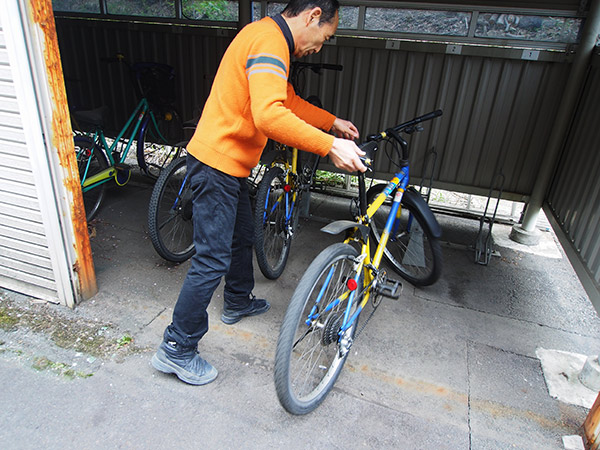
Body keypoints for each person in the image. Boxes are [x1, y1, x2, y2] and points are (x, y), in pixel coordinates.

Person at [151, 0, 367, 385]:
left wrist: (332, 123)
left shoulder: (268, 38)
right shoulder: (269, 43)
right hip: (217, 163)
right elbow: (271, 115)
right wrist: (329, 146)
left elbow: (289, 102)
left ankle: (236, 300)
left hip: (228, 165)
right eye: (325, 37)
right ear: (313, 15)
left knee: (242, 236)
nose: (320, 47)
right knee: (210, 260)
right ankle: (177, 347)